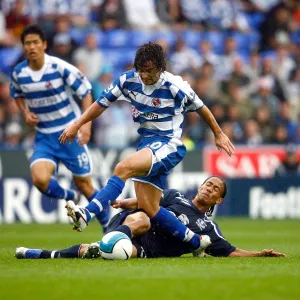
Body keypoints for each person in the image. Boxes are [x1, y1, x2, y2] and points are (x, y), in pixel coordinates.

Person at [59, 42, 235, 252]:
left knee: (122, 168)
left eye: (149, 71)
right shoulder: (127, 80)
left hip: (168, 144)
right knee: (150, 207)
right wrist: (77, 124)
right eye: (141, 70)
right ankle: (196, 242)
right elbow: (100, 105)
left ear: (161, 68)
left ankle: (86, 214)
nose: (144, 75)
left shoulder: (175, 86)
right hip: (146, 143)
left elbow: (202, 108)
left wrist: (218, 133)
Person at [15, 176, 286, 259]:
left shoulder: (209, 227)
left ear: (218, 200)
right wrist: (124, 202)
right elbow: (146, 202)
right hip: (133, 224)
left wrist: (260, 254)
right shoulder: (176, 196)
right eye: (207, 183)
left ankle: (40, 254)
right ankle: (110, 236)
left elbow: (229, 252)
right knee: (145, 217)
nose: (208, 187)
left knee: (103, 253)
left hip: (149, 249)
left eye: (215, 188)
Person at [10, 24, 108, 232]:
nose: (32, 47)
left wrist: (85, 125)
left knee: (85, 184)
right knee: (39, 179)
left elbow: (86, 91)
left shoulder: (59, 67)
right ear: (24, 47)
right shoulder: (19, 73)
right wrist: (25, 113)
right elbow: (16, 93)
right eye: (27, 43)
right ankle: (70, 196)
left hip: (69, 133)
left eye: (36, 42)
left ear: (44, 45)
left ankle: (109, 225)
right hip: (44, 136)